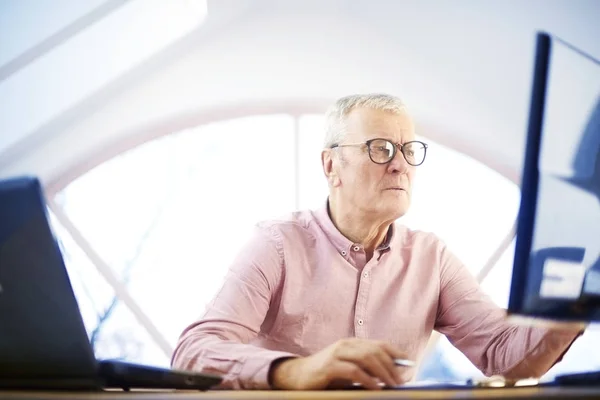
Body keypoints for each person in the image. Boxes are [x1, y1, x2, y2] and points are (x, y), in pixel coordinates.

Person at [171, 93, 585, 390]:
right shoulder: (277, 244)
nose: (401, 165)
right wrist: (295, 371)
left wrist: (572, 302)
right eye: (381, 149)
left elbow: (505, 357)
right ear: (332, 164)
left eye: (408, 149)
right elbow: (194, 351)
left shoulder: (431, 258)